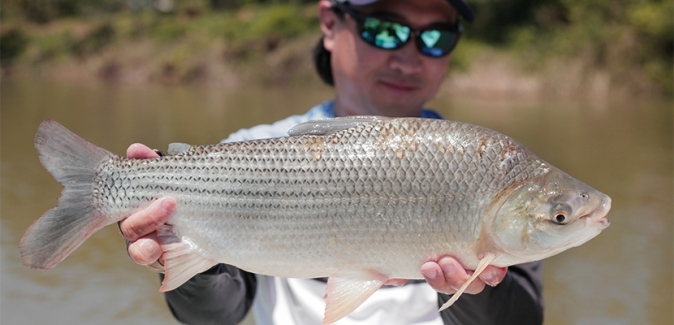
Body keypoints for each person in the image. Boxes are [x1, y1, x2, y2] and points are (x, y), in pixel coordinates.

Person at [119, 0, 544, 324]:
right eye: (383, 30)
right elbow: (216, 314)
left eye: (436, 36)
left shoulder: (484, 168)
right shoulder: (251, 151)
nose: (409, 56)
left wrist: (475, 291)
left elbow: (521, 317)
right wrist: (171, 248)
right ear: (329, 23)